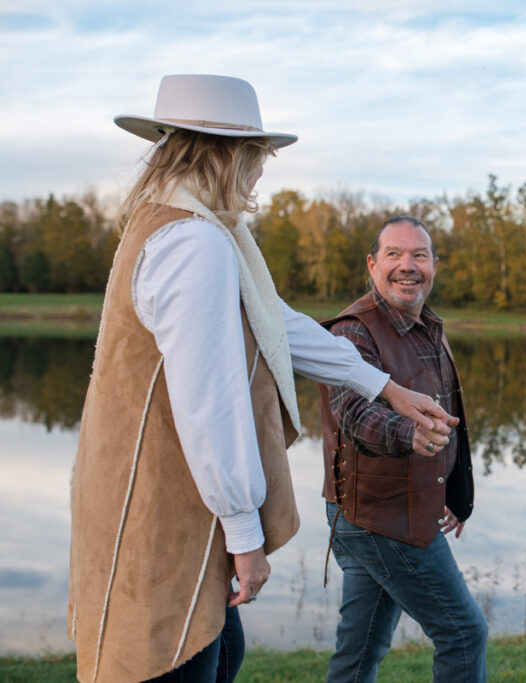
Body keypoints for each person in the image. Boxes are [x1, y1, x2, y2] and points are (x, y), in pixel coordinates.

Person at [67, 75, 453, 683]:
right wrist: (244, 535)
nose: (259, 173)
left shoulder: (185, 226)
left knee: (219, 653)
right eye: (258, 156)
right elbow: (209, 403)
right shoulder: (194, 242)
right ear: (233, 154)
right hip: (167, 506)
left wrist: (384, 387)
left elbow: (276, 323)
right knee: (179, 659)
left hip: (163, 496)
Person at [318, 216, 487, 682]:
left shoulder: (426, 325)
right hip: (383, 519)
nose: (407, 266)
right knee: (464, 634)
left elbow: (449, 417)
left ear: (434, 266)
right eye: (394, 254)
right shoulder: (353, 332)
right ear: (372, 264)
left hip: (385, 515)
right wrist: (405, 433)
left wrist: (452, 492)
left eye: (419, 255)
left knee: (359, 654)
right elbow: (354, 413)